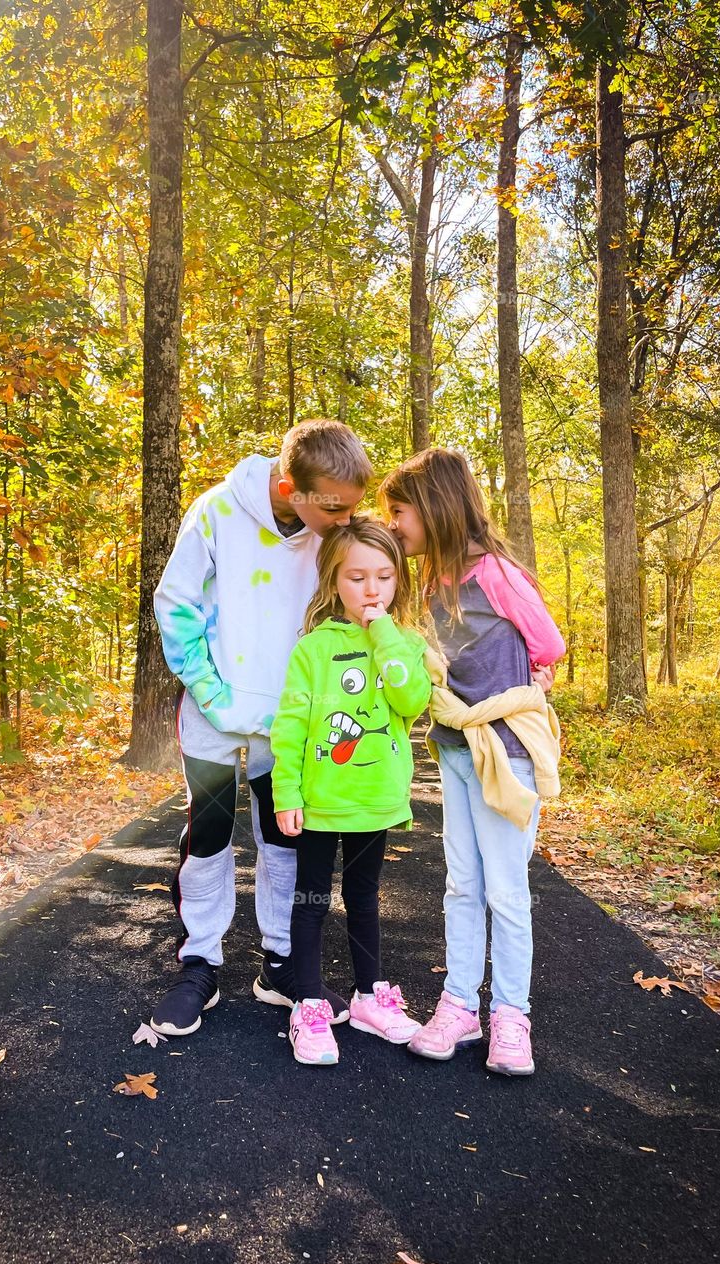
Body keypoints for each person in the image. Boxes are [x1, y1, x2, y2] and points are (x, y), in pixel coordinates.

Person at [149, 420, 373, 1037]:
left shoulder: (335, 533)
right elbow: (176, 604)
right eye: (334, 506)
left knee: (286, 839)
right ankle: (200, 962)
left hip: (292, 722)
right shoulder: (217, 511)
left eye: (353, 507)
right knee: (211, 833)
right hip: (214, 717)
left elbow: (364, 590)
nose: (346, 519)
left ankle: (280, 962)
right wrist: (211, 693)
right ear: (287, 486)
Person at [381, 448, 565, 1076]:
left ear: (433, 508)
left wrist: (521, 691)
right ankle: (460, 1005)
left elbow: (548, 644)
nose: (395, 524)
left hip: (504, 752)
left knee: (506, 890)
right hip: (456, 748)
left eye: (400, 512)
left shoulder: (494, 574)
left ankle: (512, 1016)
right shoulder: (434, 582)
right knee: (463, 882)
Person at [271, 517, 432, 1066]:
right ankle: (310, 1005)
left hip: (375, 800)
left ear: (398, 581)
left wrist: (383, 631)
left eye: (384, 577)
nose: (371, 589)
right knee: (312, 900)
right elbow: (290, 728)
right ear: (333, 580)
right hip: (320, 803)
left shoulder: (405, 643)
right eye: (357, 577)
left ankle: (368, 998)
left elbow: (412, 700)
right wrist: (286, 793)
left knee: (364, 897)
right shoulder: (313, 650)